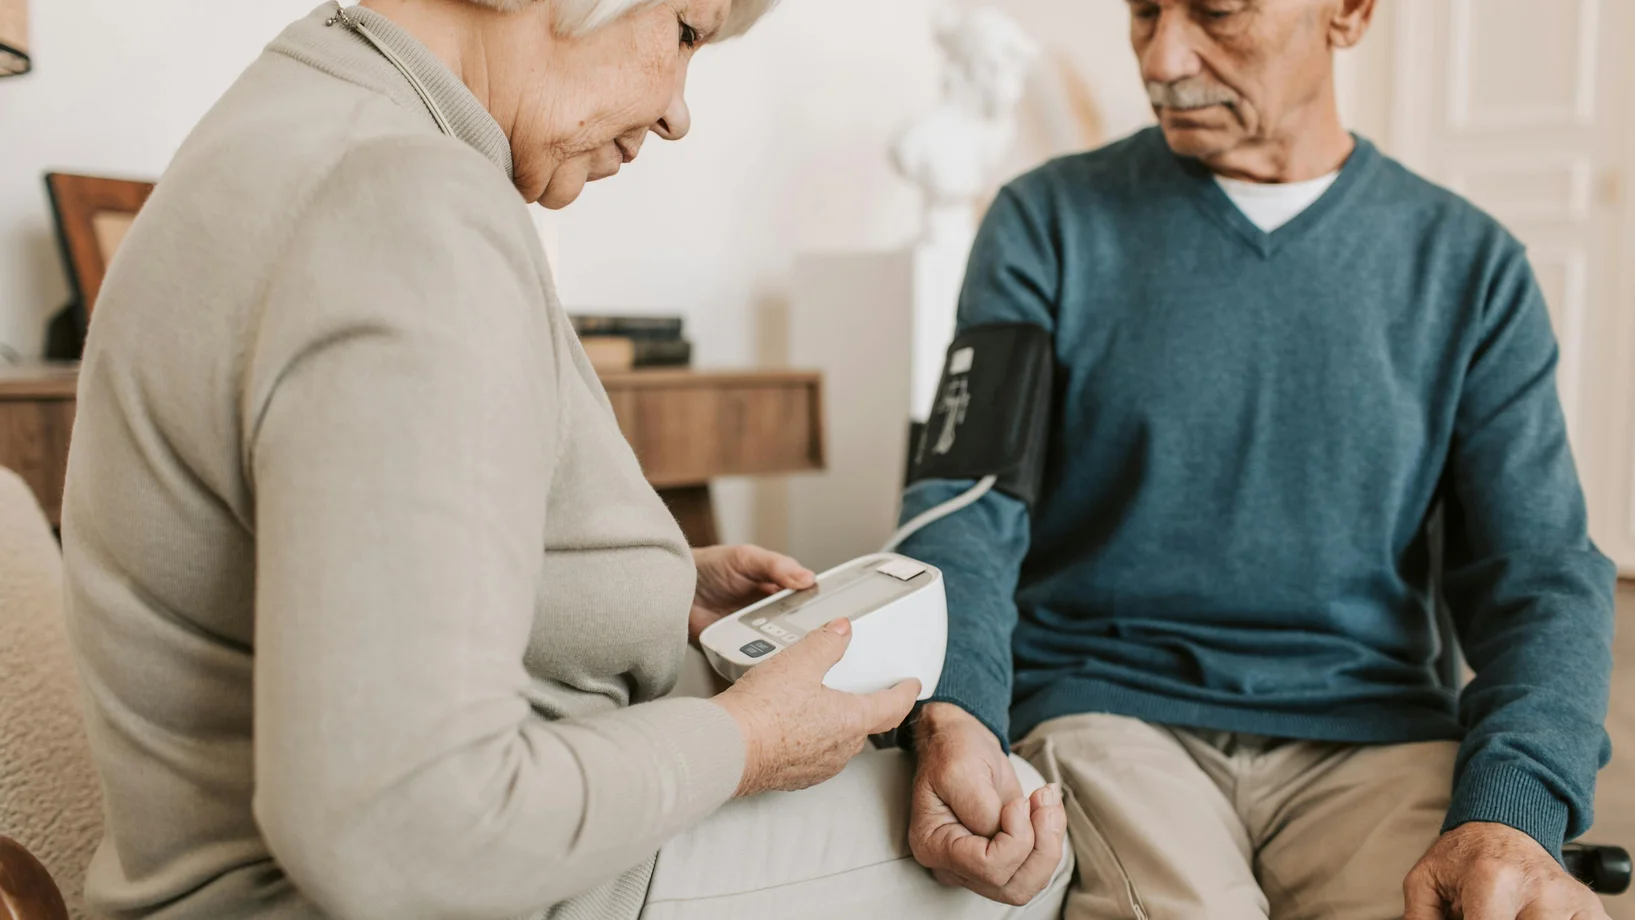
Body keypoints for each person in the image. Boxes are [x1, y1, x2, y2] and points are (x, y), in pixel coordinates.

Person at [59, 2, 1073, 919]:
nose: (680, 113)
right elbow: (395, 824)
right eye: (685, 29)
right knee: (1025, 848)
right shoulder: (407, 209)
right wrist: (747, 741)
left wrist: (637, 587)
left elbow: (336, 557)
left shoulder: (306, 116)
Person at [897, 2, 1618, 919]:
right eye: (1144, 11)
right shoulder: (1045, 222)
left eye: (1218, 13)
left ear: (1348, 14)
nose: (1163, 57)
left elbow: (1540, 572)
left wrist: (1513, 812)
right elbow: (966, 501)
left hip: (1373, 733)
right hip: (1111, 709)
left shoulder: (1470, 267)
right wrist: (954, 711)